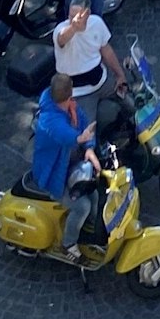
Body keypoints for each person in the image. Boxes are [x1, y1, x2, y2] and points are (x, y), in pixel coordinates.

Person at [33, 74, 102, 258]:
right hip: (54, 175)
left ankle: (90, 227)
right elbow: (65, 134)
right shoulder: (49, 120)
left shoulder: (66, 105)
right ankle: (68, 243)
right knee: (82, 206)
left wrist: (88, 147)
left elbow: (83, 123)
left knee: (94, 193)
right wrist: (81, 139)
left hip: (69, 165)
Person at [53, 0, 127, 103]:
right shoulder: (61, 29)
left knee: (129, 104)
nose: (73, 20)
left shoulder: (97, 23)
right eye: (70, 16)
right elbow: (61, 39)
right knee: (86, 115)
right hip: (79, 93)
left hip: (102, 81)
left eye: (77, 17)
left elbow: (107, 51)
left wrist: (120, 75)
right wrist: (73, 27)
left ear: (87, 13)